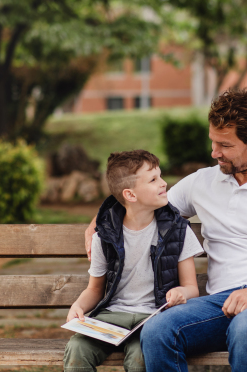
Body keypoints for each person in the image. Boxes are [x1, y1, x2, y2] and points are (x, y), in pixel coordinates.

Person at [84, 88, 247, 372]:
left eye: (225, 145)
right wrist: (99, 220)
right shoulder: (202, 182)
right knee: (158, 330)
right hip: (220, 305)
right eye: (213, 142)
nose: (214, 153)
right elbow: (141, 204)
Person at [64, 150, 204, 372]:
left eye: (160, 175)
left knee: (141, 358)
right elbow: (95, 289)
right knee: (77, 350)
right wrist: (78, 306)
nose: (164, 183)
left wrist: (182, 293)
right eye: (153, 179)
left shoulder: (178, 230)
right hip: (112, 318)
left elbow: (191, 288)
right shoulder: (104, 236)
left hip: (152, 319)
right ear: (130, 195)